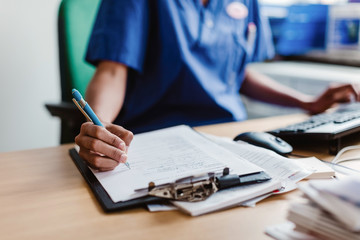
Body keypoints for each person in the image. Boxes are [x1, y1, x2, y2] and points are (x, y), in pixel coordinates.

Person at [75, 0, 359, 171]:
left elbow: (238, 74)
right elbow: (112, 70)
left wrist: (307, 103)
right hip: (153, 139)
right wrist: (102, 125)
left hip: (228, 138)